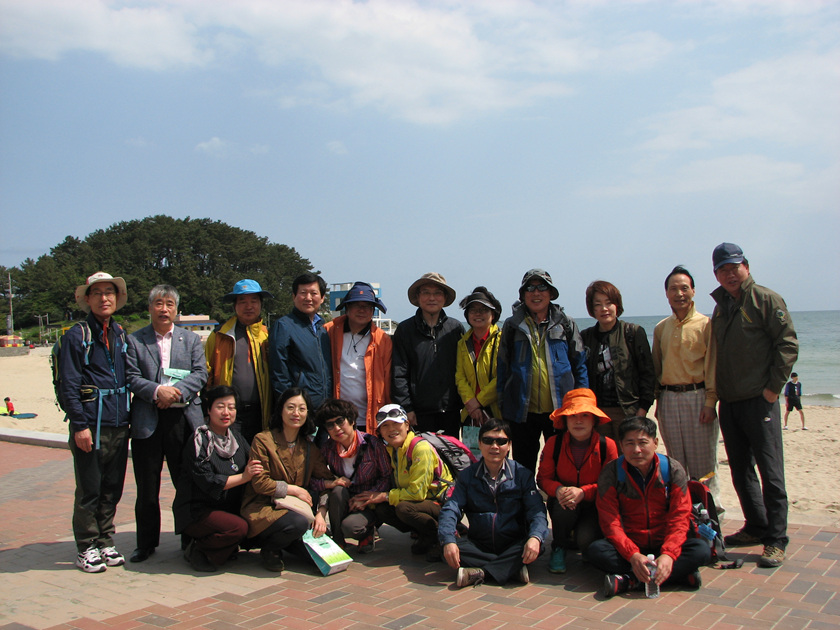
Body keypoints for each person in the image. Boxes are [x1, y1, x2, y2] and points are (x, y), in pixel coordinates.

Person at [710, 242, 798, 568]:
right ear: (716, 274)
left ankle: (776, 539)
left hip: (760, 402)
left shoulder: (766, 299)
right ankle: (756, 525)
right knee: (740, 470)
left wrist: (774, 389)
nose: (729, 274)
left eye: (734, 267)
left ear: (745, 266)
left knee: (771, 472)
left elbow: (787, 344)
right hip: (730, 402)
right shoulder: (721, 307)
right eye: (722, 269)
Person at [126, 285, 208, 563]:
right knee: (147, 487)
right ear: (150, 308)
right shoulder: (135, 340)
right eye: (159, 304)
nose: (164, 309)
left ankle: (189, 538)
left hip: (182, 419)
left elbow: (200, 373)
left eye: (169, 304)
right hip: (147, 420)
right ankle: (145, 543)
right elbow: (131, 376)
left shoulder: (191, 339)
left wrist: (176, 393)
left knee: (185, 483)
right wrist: (157, 392)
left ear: (176, 309)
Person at [590, 417, 710, 597]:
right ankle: (675, 576)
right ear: (621, 445)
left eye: (642, 443)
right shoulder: (611, 472)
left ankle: (628, 580)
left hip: (663, 542)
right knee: (596, 551)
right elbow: (610, 522)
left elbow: (680, 517)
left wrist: (668, 554)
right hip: (630, 544)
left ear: (655, 443)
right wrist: (633, 555)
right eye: (630, 443)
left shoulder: (673, 470)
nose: (636, 450)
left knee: (701, 550)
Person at [61, 272, 131, 572]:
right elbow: (68, 384)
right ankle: (86, 546)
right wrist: (79, 426)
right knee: (89, 488)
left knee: (112, 487)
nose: (104, 298)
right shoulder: (77, 335)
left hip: (118, 422)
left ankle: (105, 539)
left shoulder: (120, 333)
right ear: (87, 299)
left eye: (109, 292)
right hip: (91, 423)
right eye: (98, 293)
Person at [497, 268, 588, 474]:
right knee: (523, 466)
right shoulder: (512, 325)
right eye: (530, 288)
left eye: (542, 287)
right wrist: (503, 403)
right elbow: (503, 367)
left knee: (561, 464)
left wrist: (582, 402)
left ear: (551, 293)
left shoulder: (565, 323)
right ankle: (527, 494)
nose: (536, 293)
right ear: (523, 294)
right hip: (522, 412)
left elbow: (579, 364)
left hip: (560, 410)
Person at [439, 418, 548, 588]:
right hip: (479, 544)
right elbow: (451, 509)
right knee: (446, 547)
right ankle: (510, 569)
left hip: (513, 543)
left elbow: (537, 511)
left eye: (501, 441)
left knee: (537, 544)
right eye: (488, 441)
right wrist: (448, 540)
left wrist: (535, 537)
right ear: (479, 444)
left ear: (509, 445)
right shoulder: (467, 476)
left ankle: (481, 572)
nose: (494, 446)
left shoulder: (522, 475)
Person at [240, 387, 337, 573]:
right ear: (281, 410)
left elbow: (327, 481)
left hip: (295, 510)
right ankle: (270, 548)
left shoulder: (309, 448)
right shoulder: (263, 440)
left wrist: (321, 513)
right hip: (263, 507)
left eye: (302, 408)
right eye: (290, 407)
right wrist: (294, 490)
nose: (296, 413)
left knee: (322, 558)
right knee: (298, 523)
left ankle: (288, 543)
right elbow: (260, 483)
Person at [173, 386, 264, 572]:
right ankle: (199, 549)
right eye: (220, 407)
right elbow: (208, 481)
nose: (226, 412)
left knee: (256, 523)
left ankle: (222, 547)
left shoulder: (236, 437)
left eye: (231, 407)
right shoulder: (199, 440)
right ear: (208, 409)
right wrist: (244, 476)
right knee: (238, 529)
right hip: (197, 509)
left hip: (225, 507)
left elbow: (254, 461)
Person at [652, 266, 722, 508]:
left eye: (684, 288)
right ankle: (683, 516)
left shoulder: (706, 325)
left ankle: (712, 517)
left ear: (693, 291)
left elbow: (712, 366)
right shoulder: (661, 328)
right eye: (673, 289)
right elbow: (657, 368)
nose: (679, 293)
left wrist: (710, 402)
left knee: (704, 466)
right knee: (676, 465)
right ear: (666, 293)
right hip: (669, 399)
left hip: (698, 397)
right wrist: (658, 403)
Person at [537, 388, 618, 574]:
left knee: (586, 541)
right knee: (563, 505)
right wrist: (558, 490)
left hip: (594, 505)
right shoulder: (554, 444)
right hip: (564, 503)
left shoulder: (608, 446)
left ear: (594, 419)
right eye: (573, 416)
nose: (578, 421)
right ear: (565, 420)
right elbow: (543, 479)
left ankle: (584, 541)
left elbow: (610, 485)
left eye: (585, 415)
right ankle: (559, 546)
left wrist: (584, 492)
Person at [362, 404, 454, 562]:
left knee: (403, 508)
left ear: (407, 425)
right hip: (422, 502)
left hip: (441, 503)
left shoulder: (420, 448)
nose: (391, 429)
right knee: (383, 509)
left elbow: (417, 493)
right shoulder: (393, 450)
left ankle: (441, 535)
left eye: (396, 424)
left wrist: (384, 496)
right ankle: (424, 533)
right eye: (385, 426)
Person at [580, 280, 655, 441]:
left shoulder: (633, 333)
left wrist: (642, 409)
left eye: (609, 303)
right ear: (592, 309)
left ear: (617, 305)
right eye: (598, 304)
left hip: (627, 410)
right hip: (598, 412)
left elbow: (648, 373)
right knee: (604, 454)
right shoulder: (586, 337)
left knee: (627, 452)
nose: (604, 308)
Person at [392, 273, 464, 437]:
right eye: (426, 292)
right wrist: (406, 407)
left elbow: (464, 370)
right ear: (418, 297)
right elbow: (398, 373)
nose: (432, 298)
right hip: (418, 414)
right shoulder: (405, 330)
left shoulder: (455, 328)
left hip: (451, 411)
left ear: (444, 298)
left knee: (451, 453)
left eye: (437, 293)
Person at [314, 398, 392, 552]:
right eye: (330, 425)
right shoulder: (328, 449)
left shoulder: (372, 444)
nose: (336, 428)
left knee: (350, 527)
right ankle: (338, 540)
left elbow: (387, 476)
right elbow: (316, 480)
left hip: (369, 502)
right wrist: (330, 484)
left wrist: (368, 497)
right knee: (337, 490)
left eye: (340, 421)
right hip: (345, 501)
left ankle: (368, 531)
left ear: (352, 421)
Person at [205, 279, 274, 445]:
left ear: (261, 304)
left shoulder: (269, 336)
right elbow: (206, 372)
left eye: (253, 301)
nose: (248, 306)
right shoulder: (220, 335)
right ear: (235, 306)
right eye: (242, 301)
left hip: (261, 410)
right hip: (229, 412)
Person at [323, 281, 392, 434]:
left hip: (370, 417)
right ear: (347, 308)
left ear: (373, 310)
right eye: (356, 305)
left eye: (367, 306)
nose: (362, 310)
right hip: (336, 419)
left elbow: (388, 379)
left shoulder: (382, 340)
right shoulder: (329, 331)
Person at [269, 273, 332, 430]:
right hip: (299, 411)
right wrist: (288, 405)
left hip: (324, 410)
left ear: (322, 298)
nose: (308, 298)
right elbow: (279, 371)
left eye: (313, 293)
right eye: (303, 293)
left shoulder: (323, 330)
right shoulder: (284, 326)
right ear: (294, 296)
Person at [455, 287, 503, 425]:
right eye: (473, 310)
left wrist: (479, 401)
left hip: (498, 412)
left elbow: (503, 376)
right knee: (470, 441)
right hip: (470, 412)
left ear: (493, 314)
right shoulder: (463, 343)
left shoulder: (503, 340)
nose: (478, 314)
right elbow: (460, 377)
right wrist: (470, 402)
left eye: (483, 310)